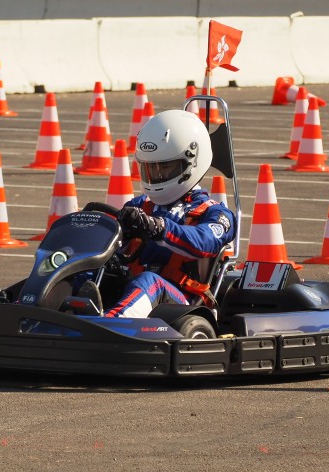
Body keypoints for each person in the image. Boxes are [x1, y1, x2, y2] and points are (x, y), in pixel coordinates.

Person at [79, 109, 235, 318]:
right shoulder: (140, 205)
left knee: (149, 281)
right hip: (131, 288)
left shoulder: (216, 213)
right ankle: (44, 311)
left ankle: (107, 324)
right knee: (85, 267)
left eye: (166, 168)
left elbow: (204, 241)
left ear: (191, 163)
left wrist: (159, 228)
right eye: (151, 169)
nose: (158, 175)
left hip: (183, 304)